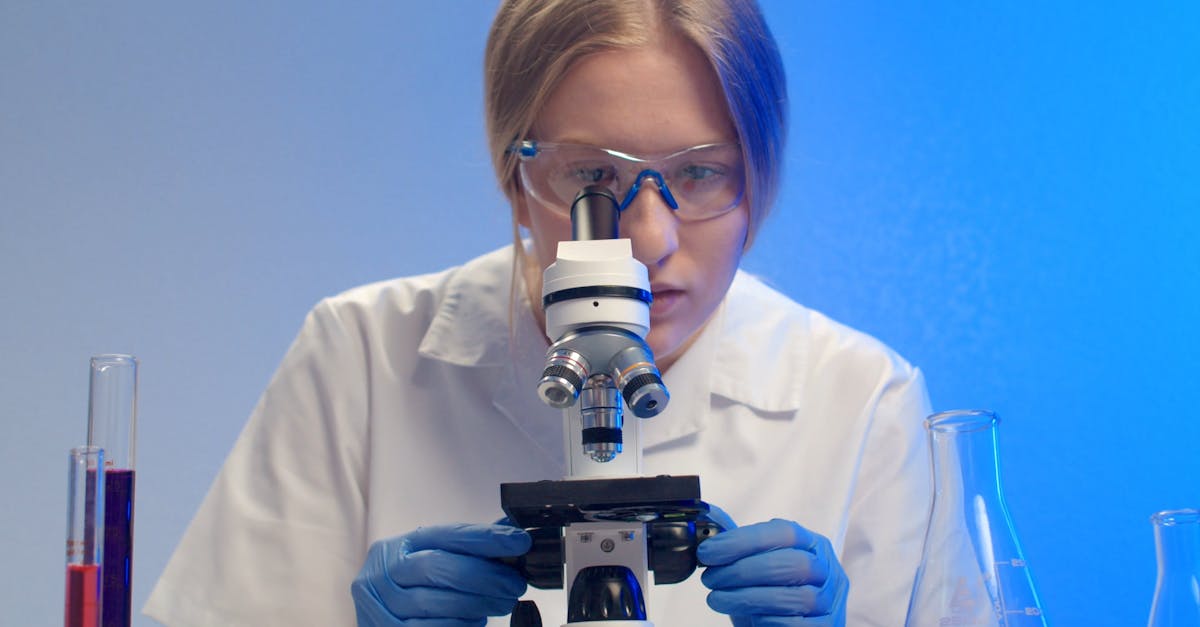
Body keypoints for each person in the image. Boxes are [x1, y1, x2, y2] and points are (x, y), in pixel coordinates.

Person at [145, 1, 933, 625]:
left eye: (699, 174)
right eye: (591, 175)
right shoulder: (361, 356)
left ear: (760, 173)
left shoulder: (862, 400)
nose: (649, 240)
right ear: (513, 174)